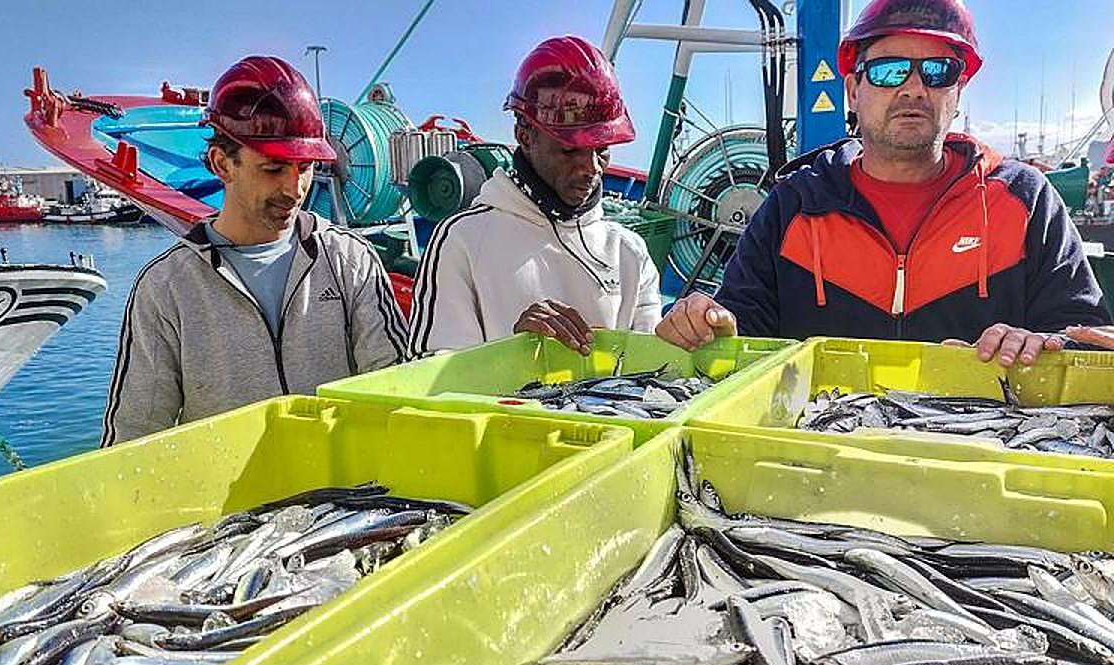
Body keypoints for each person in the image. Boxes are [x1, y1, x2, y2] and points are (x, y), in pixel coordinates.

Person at [657, 0, 1110, 367]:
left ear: (958, 91)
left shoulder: (1025, 200)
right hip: (821, 459)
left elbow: (1083, 333)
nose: (914, 87)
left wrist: (1043, 343)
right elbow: (745, 327)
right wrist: (710, 324)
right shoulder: (793, 204)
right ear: (853, 91)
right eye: (889, 70)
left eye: (938, 72)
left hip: (980, 459)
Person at [102, 56, 407, 445]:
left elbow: (395, 388)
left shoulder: (350, 260)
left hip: (348, 499)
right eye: (274, 168)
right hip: (230, 505)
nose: (295, 189)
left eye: (306, 167)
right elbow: (133, 438)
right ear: (221, 163)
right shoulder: (166, 289)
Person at [406, 36, 662, 358]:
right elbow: (428, 376)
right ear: (524, 136)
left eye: (602, 149)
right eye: (570, 150)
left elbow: (652, 372)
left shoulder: (629, 252)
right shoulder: (462, 240)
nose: (591, 167)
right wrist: (514, 355)